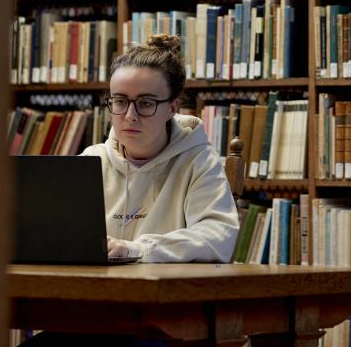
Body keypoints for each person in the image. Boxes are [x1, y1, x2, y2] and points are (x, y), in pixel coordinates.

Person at [80, 33, 240, 263]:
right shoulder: (91, 159)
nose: (130, 116)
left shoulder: (199, 161)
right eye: (120, 101)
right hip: (96, 289)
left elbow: (216, 237)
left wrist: (136, 249)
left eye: (146, 103)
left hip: (167, 292)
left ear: (172, 107)